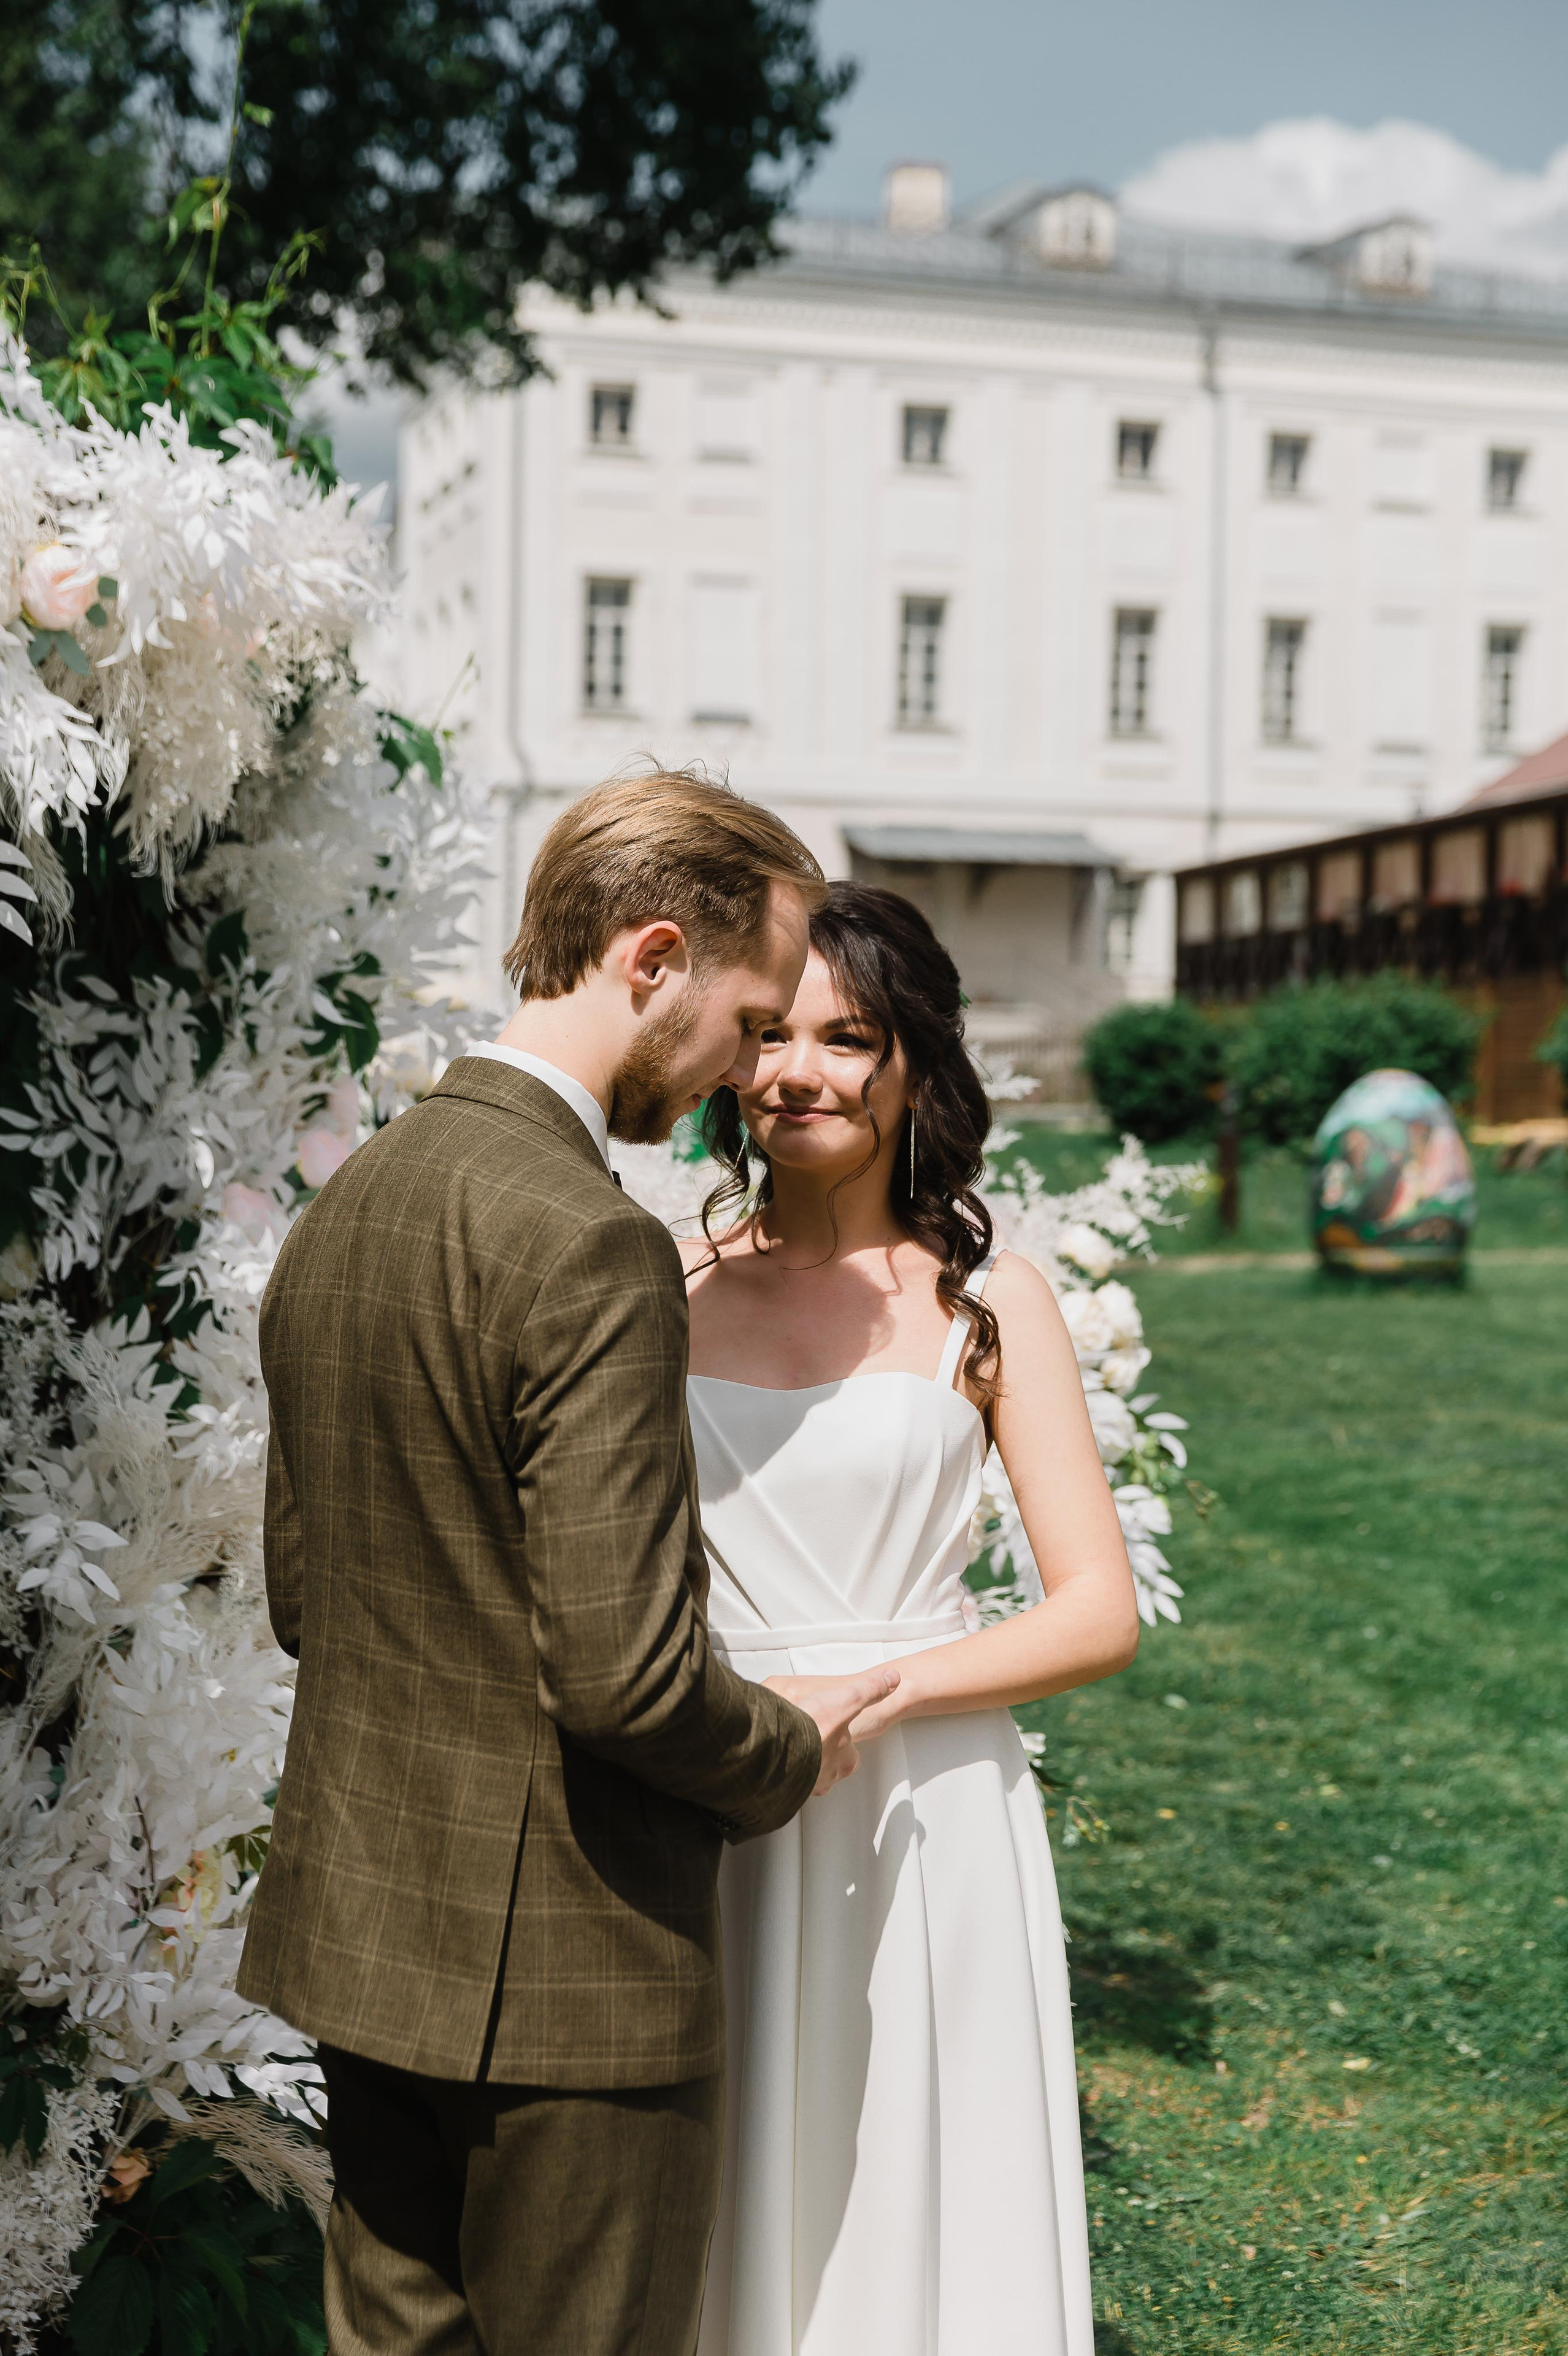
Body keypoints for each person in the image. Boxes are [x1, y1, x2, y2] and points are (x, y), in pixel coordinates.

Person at [237, 772, 899, 2356]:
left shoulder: (351, 1208)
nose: (751, 1065)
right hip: (581, 1983)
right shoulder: (592, 1241)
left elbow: (302, 1598)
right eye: (749, 1018)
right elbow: (625, 1670)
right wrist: (789, 1747)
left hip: (369, 1943)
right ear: (653, 957)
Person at [681, 882, 1140, 2356]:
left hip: (922, 1801)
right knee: (724, 2177)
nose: (797, 1071)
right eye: (768, 1035)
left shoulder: (986, 1299)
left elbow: (1095, 1613)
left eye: (847, 1036)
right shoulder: (658, 1287)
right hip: (707, 1789)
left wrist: (866, 1696)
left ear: (912, 1064)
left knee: (908, 2170)